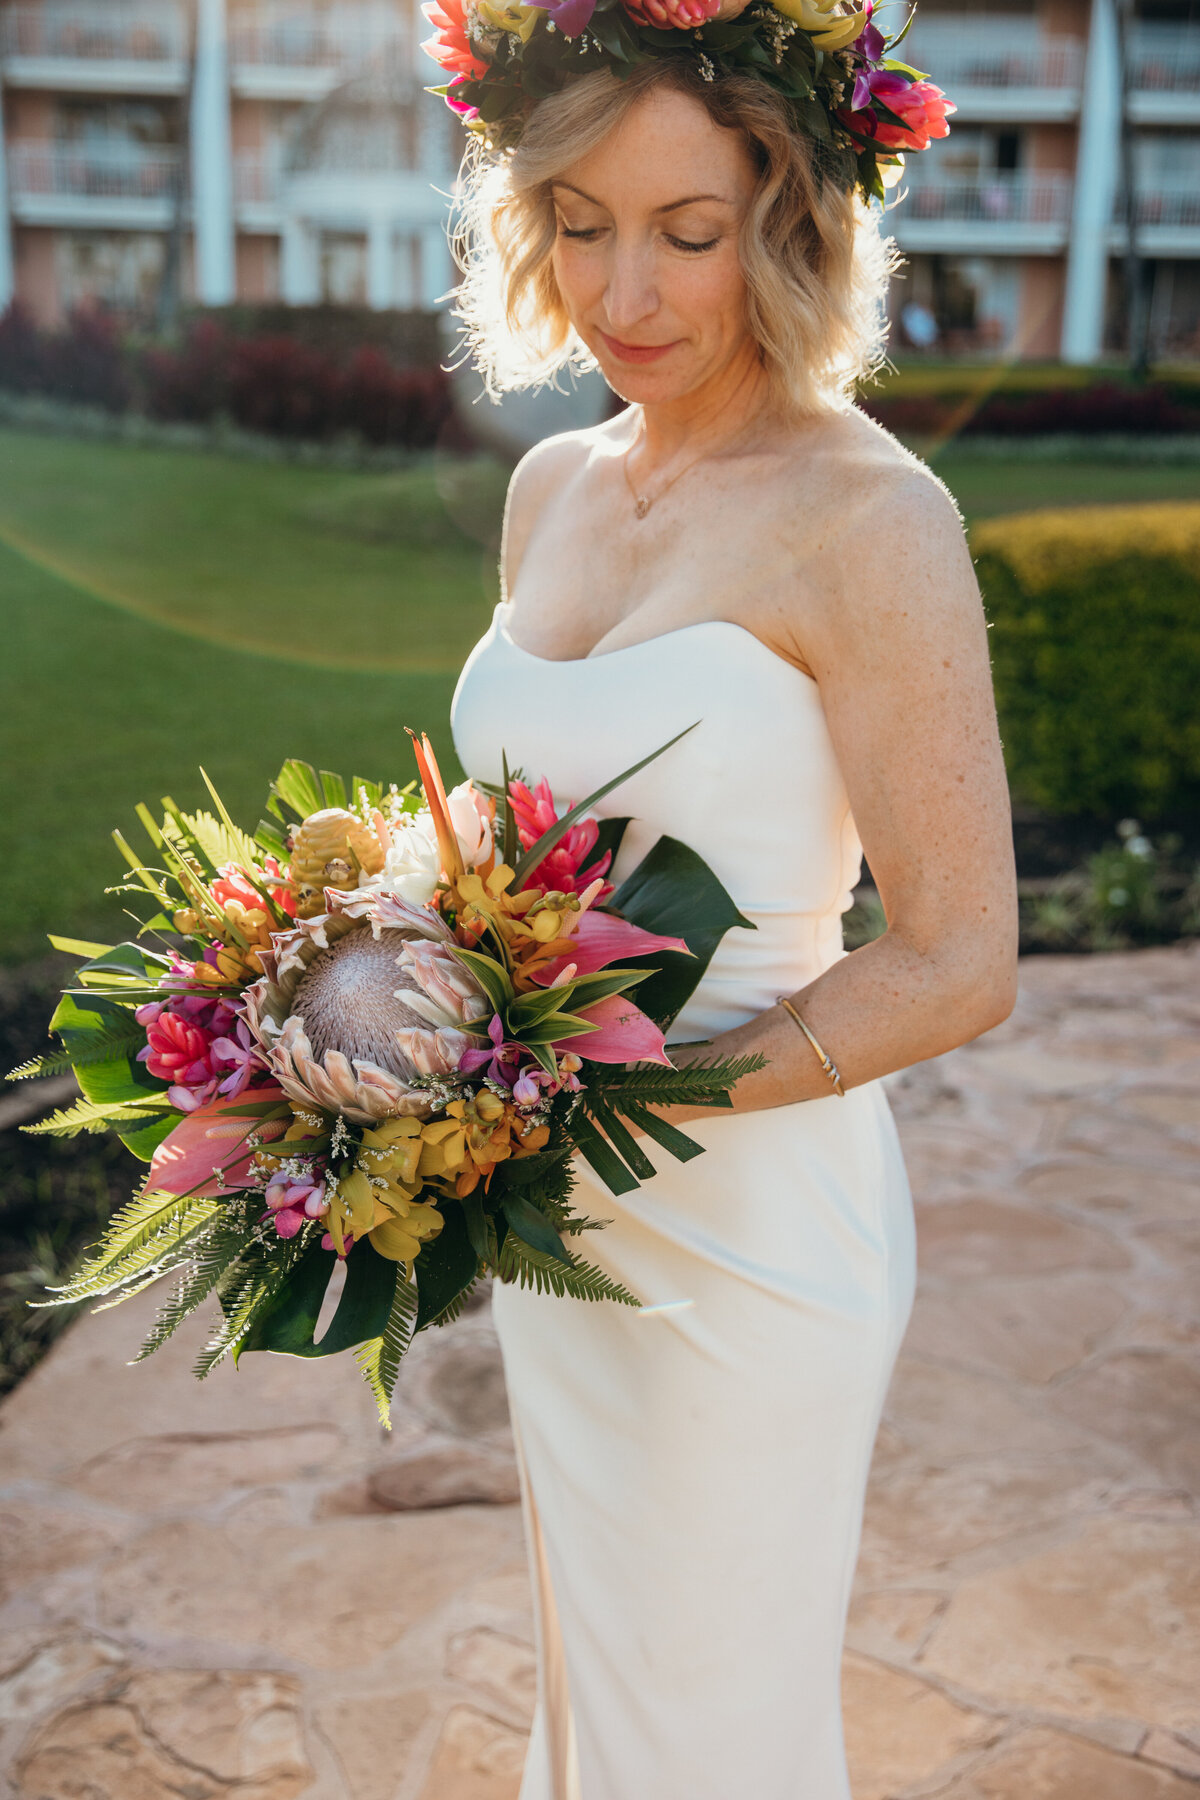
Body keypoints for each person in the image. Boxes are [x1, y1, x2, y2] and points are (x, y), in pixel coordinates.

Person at [432, 9, 1015, 1795]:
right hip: (561, 1231)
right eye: (582, 220)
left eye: (687, 231)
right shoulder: (551, 489)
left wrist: (621, 1103)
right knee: (604, 1705)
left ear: (791, 221)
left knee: (713, 1728)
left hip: (752, 1228)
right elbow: (507, 853)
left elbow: (961, 959)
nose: (627, 288)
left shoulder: (872, 518)